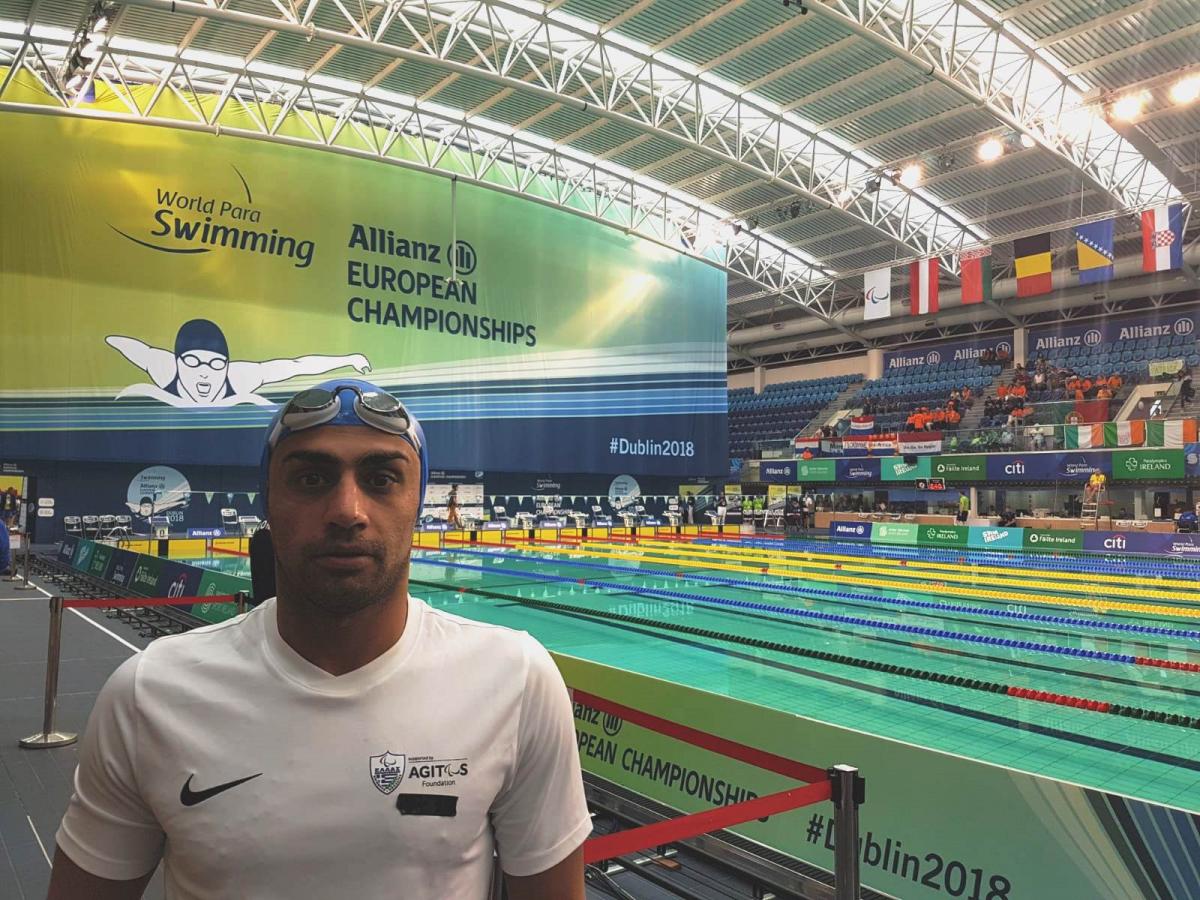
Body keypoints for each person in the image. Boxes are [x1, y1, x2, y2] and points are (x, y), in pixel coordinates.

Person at [49, 380, 590, 900]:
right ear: (267, 500)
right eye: (312, 479)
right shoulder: (150, 693)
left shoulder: (514, 679)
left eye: (381, 479)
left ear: (418, 502)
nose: (347, 511)